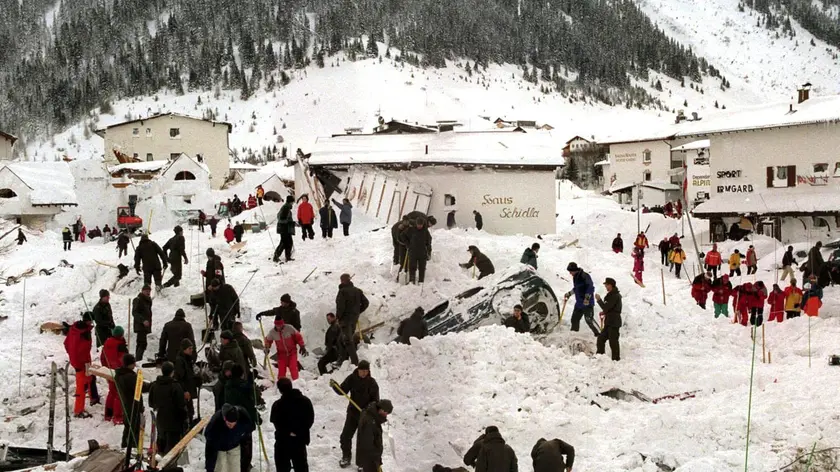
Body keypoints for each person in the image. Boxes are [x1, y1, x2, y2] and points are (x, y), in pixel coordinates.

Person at [334, 360, 380, 468]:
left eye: (366, 371)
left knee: (364, 441)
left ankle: (362, 463)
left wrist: (368, 409)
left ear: (368, 371)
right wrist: (335, 387)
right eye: (361, 371)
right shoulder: (352, 378)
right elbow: (343, 391)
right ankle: (346, 457)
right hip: (352, 413)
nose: (363, 373)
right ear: (358, 370)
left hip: (365, 416)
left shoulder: (372, 383)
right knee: (345, 436)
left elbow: (376, 401)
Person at [271, 378, 315, 472]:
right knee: (301, 466)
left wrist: (288, 432)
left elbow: (277, 424)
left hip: (283, 441)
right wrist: (299, 432)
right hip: (300, 440)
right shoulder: (306, 401)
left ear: (280, 390)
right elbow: (310, 420)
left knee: (282, 467)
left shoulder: (278, 405)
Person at [223, 364, 257, 472]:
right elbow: (249, 404)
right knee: (246, 447)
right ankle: (244, 467)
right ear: (242, 374)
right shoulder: (244, 387)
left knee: (235, 446)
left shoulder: (227, 385)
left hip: (232, 419)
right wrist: (256, 418)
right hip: (244, 420)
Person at [148, 361, 187, 455]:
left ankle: (158, 464)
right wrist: (184, 419)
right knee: (172, 450)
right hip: (174, 422)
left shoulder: (155, 385)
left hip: (161, 420)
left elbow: (151, 403)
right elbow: (181, 405)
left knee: (161, 445)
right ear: (172, 372)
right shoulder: (175, 386)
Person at [65, 312, 99, 418]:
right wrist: (83, 362)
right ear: (88, 321)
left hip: (79, 361)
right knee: (81, 386)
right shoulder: (84, 333)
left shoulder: (74, 329)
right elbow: (83, 350)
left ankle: (93, 398)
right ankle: (78, 410)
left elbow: (66, 343)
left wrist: (72, 356)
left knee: (90, 378)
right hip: (82, 363)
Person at [204, 404, 254, 472]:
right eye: (229, 424)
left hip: (234, 445)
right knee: (221, 468)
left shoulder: (243, 415)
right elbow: (210, 446)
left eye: (234, 424)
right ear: (224, 419)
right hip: (219, 448)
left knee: (235, 469)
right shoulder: (215, 423)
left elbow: (249, 430)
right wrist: (209, 468)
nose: (232, 426)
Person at [336, 273, 369, 366]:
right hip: (353, 320)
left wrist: (338, 317)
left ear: (342, 281)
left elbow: (340, 307)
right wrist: (357, 312)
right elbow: (366, 303)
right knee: (342, 340)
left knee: (348, 341)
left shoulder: (342, 292)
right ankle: (342, 360)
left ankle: (355, 363)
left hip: (345, 321)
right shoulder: (357, 291)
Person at [115, 354, 144, 449]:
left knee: (128, 427)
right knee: (134, 429)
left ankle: (124, 445)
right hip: (133, 406)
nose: (135, 365)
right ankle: (133, 448)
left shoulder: (119, 374)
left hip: (125, 404)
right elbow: (140, 388)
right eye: (133, 363)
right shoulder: (130, 377)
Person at [356, 399, 394, 472]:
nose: (386, 415)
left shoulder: (373, 416)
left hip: (371, 458)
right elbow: (367, 444)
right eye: (386, 412)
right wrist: (376, 459)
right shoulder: (370, 422)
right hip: (370, 460)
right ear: (381, 409)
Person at [100, 326, 128, 423]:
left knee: (111, 393)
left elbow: (102, 357)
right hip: (118, 372)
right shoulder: (120, 345)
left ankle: (108, 414)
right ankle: (118, 417)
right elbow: (123, 360)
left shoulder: (107, 342)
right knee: (119, 395)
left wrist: (105, 367)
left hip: (109, 370)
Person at [565, 262, 599, 336]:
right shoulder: (575, 277)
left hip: (587, 303)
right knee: (574, 319)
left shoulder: (585, 276)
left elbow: (590, 287)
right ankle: (574, 334)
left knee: (589, 320)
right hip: (579, 303)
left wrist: (587, 298)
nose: (570, 273)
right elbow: (577, 288)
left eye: (571, 272)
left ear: (574, 270)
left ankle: (598, 334)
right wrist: (569, 293)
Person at [595, 277, 622, 361]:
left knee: (613, 341)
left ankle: (616, 359)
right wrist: (605, 312)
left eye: (606, 285)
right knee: (601, 338)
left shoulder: (614, 295)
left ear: (610, 285)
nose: (605, 287)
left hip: (614, 322)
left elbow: (606, 307)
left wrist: (599, 300)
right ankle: (600, 356)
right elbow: (609, 309)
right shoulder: (612, 294)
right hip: (609, 322)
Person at [174, 339, 200, 424]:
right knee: (186, 412)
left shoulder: (188, 359)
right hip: (185, 392)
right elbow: (179, 378)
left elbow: (189, 375)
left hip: (188, 390)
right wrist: (184, 391)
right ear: (184, 349)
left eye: (192, 348)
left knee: (190, 411)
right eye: (189, 348)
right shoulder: (180, 361)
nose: (191, 350)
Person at [403, 215, 432, 284]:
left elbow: (429, 243)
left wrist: (429, 252)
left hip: (422, 253)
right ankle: (411, 281)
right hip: (413, 252)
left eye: (421, 225)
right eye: (418, 224)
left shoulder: (425, 231)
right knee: (412, 267)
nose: (419, 226)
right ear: (416, 224)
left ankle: (421, 281)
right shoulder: (411, 230)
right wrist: (408, 244)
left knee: (422, 268)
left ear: (423, 224)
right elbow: (403, 236)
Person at [132, 285, 154, 360]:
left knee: (140, 343)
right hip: (140, 325)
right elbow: (135, 312)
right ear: (142, 291)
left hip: (144, 326)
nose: (148, 293)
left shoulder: (147, 300)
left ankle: (137, 359)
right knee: (142, 343)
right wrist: (143, 320)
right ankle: (138, 359)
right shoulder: (138, 300)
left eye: (149, 291)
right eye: (147, 291)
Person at [274, 195, 296, 262]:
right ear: (291, 202)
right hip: (284, 229)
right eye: (293, 201)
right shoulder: (286, 208)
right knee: (284, 243)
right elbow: (282, 219)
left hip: (285, 228)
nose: (293, 203)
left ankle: (287, 257)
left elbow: (279, 216)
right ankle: (276, 256)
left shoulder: (286, 207)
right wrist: (291, 223)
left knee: (288, 242)